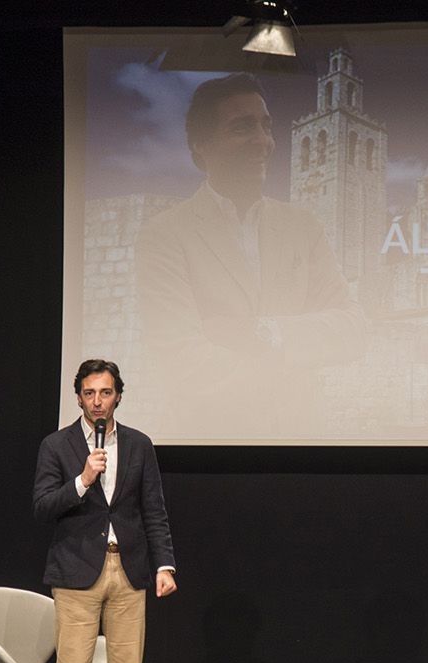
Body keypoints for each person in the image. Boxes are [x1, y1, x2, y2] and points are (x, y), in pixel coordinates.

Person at [133, 72, 366, 440]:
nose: (263, 141)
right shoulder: (164, 235)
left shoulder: (303, 227)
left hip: (301, 450)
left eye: (266, 126)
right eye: (242, 128)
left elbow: (353, 329)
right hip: (205, 453)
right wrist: (297, 358)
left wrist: (267, 332)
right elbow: (182, 359)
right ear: (200, 149)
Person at [33, 359, 176, 663]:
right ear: (78, 396)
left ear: (118, 396)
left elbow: (154, 509)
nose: (98, 402)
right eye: (90, 393)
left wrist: (164, 565)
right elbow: (42, 506)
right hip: (77, 570)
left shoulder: (139, 445)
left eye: (106, 393)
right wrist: (82, 479)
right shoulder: (56, 446)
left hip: (128, 569)